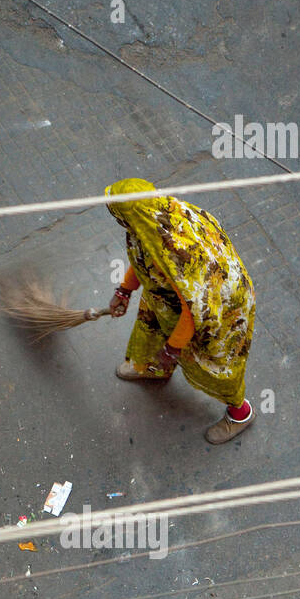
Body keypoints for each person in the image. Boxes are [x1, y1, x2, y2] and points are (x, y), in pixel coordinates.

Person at [103, 178, 256, 444]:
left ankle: (240, 413)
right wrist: (124, 290)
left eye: (117, 214)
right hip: (171, 299)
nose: (116, 220)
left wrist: (172, 349)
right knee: (151, 328)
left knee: (215, 366)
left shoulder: (177, 253)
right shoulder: (151, 220)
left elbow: (194, 309)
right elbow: (145, 258)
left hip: (217, 311)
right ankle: (153, 369)